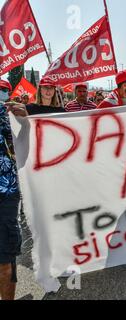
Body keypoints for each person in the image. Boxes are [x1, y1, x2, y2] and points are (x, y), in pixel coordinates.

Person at [0, 80, 21, 300]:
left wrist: (24, 121)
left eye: (3, 89)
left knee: (5, 258)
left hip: (5, 191)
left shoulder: (9, 114)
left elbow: (22, 145)